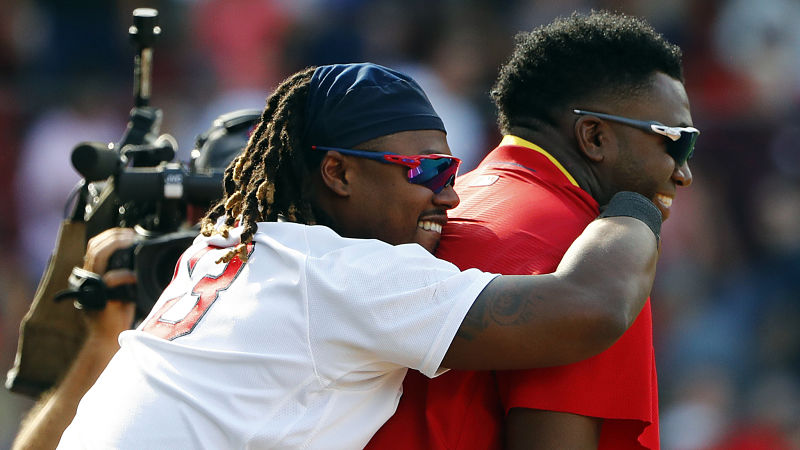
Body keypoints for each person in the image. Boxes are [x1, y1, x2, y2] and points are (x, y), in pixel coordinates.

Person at [51, 62, 660, 449]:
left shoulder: (223, 244)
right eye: (422, 170)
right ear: (337, 173)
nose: (448, 193)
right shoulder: (339, 274)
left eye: (450, 168)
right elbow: (591, 307)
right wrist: (635, 202)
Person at [367, 11, 696, 450]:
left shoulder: (438, 205)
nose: (684, 173)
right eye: (676, 141)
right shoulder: (599, 260)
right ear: (594, 137)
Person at [11, 109, 261, 450]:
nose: (238, 240)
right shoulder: (141, 299)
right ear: (188, 212)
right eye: (219, 213)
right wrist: (102, 342)